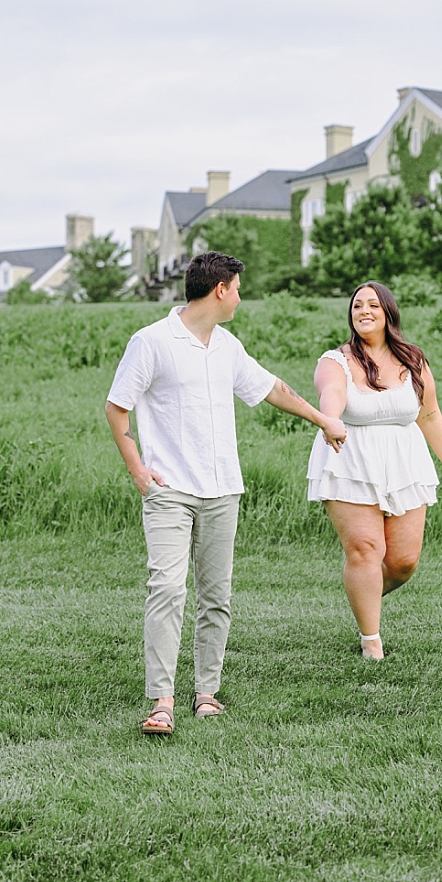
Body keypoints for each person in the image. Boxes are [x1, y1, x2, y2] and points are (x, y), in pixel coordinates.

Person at [106, 251, 349, 737]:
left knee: (216, 596)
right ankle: (162, 701)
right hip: (169, 490)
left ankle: (206, 693)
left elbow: (272, 389)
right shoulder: (152, 341)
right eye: (238, 288)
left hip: (222, 491)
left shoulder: (227, 346)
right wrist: (137, 470)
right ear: (220, 289)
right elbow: (117, 408)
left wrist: (322, 419)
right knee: (168, 590)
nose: (240, 296)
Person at [307, 282, 442, 660]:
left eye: (373, 304)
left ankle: (363, 591)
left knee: (403, 562)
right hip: (350, 460)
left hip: (405, 462)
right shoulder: (335, 361)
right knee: (365, 550)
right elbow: (332, 394)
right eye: (357, 305)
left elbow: (430, 413)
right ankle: (370, 640)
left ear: (388, 312)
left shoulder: (413, 360)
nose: (364, 311)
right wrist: (330, 418)